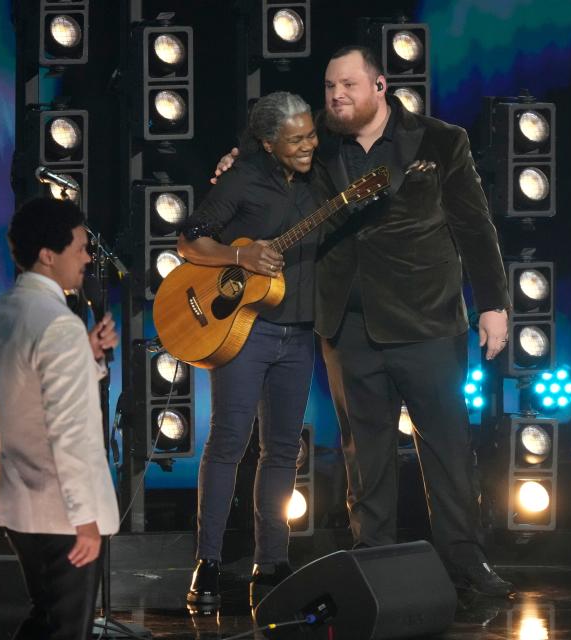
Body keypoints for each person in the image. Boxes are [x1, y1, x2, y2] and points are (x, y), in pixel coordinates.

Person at [215, 47, 514, 597]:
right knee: (364, 450)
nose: (336, 96)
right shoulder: (317, 147)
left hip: (427, 318)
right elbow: (266, 157)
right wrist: (239, 162)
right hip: (349, 324)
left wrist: (494, 304)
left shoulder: (441, 140)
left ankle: (465, 565)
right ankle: (375, 560)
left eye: (348, 85)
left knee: (446, 446)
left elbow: (475, 226)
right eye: (330, 87)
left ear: (380, 85)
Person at [178, 91, 320, 609]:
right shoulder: (241, 178)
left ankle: (272, 560)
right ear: (267, 142)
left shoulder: (318, 173)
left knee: (283, 449)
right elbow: (190, 240)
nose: (309, 144)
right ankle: (208, 563)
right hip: (244, 330)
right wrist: (241, 253)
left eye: (311, 133)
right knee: (229, 443)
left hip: (300, 330)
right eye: (297, 138)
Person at [0, 197, 121, 639]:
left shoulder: (6, 309)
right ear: (49, 254)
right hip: (62, 512)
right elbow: (69, 432)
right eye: (81, 247)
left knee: (44, 620)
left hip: (20, 501)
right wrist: (85, 521)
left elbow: (27, 389)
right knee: (65, 630)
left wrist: (88, 353)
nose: (87, 258)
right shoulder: (57, 325)